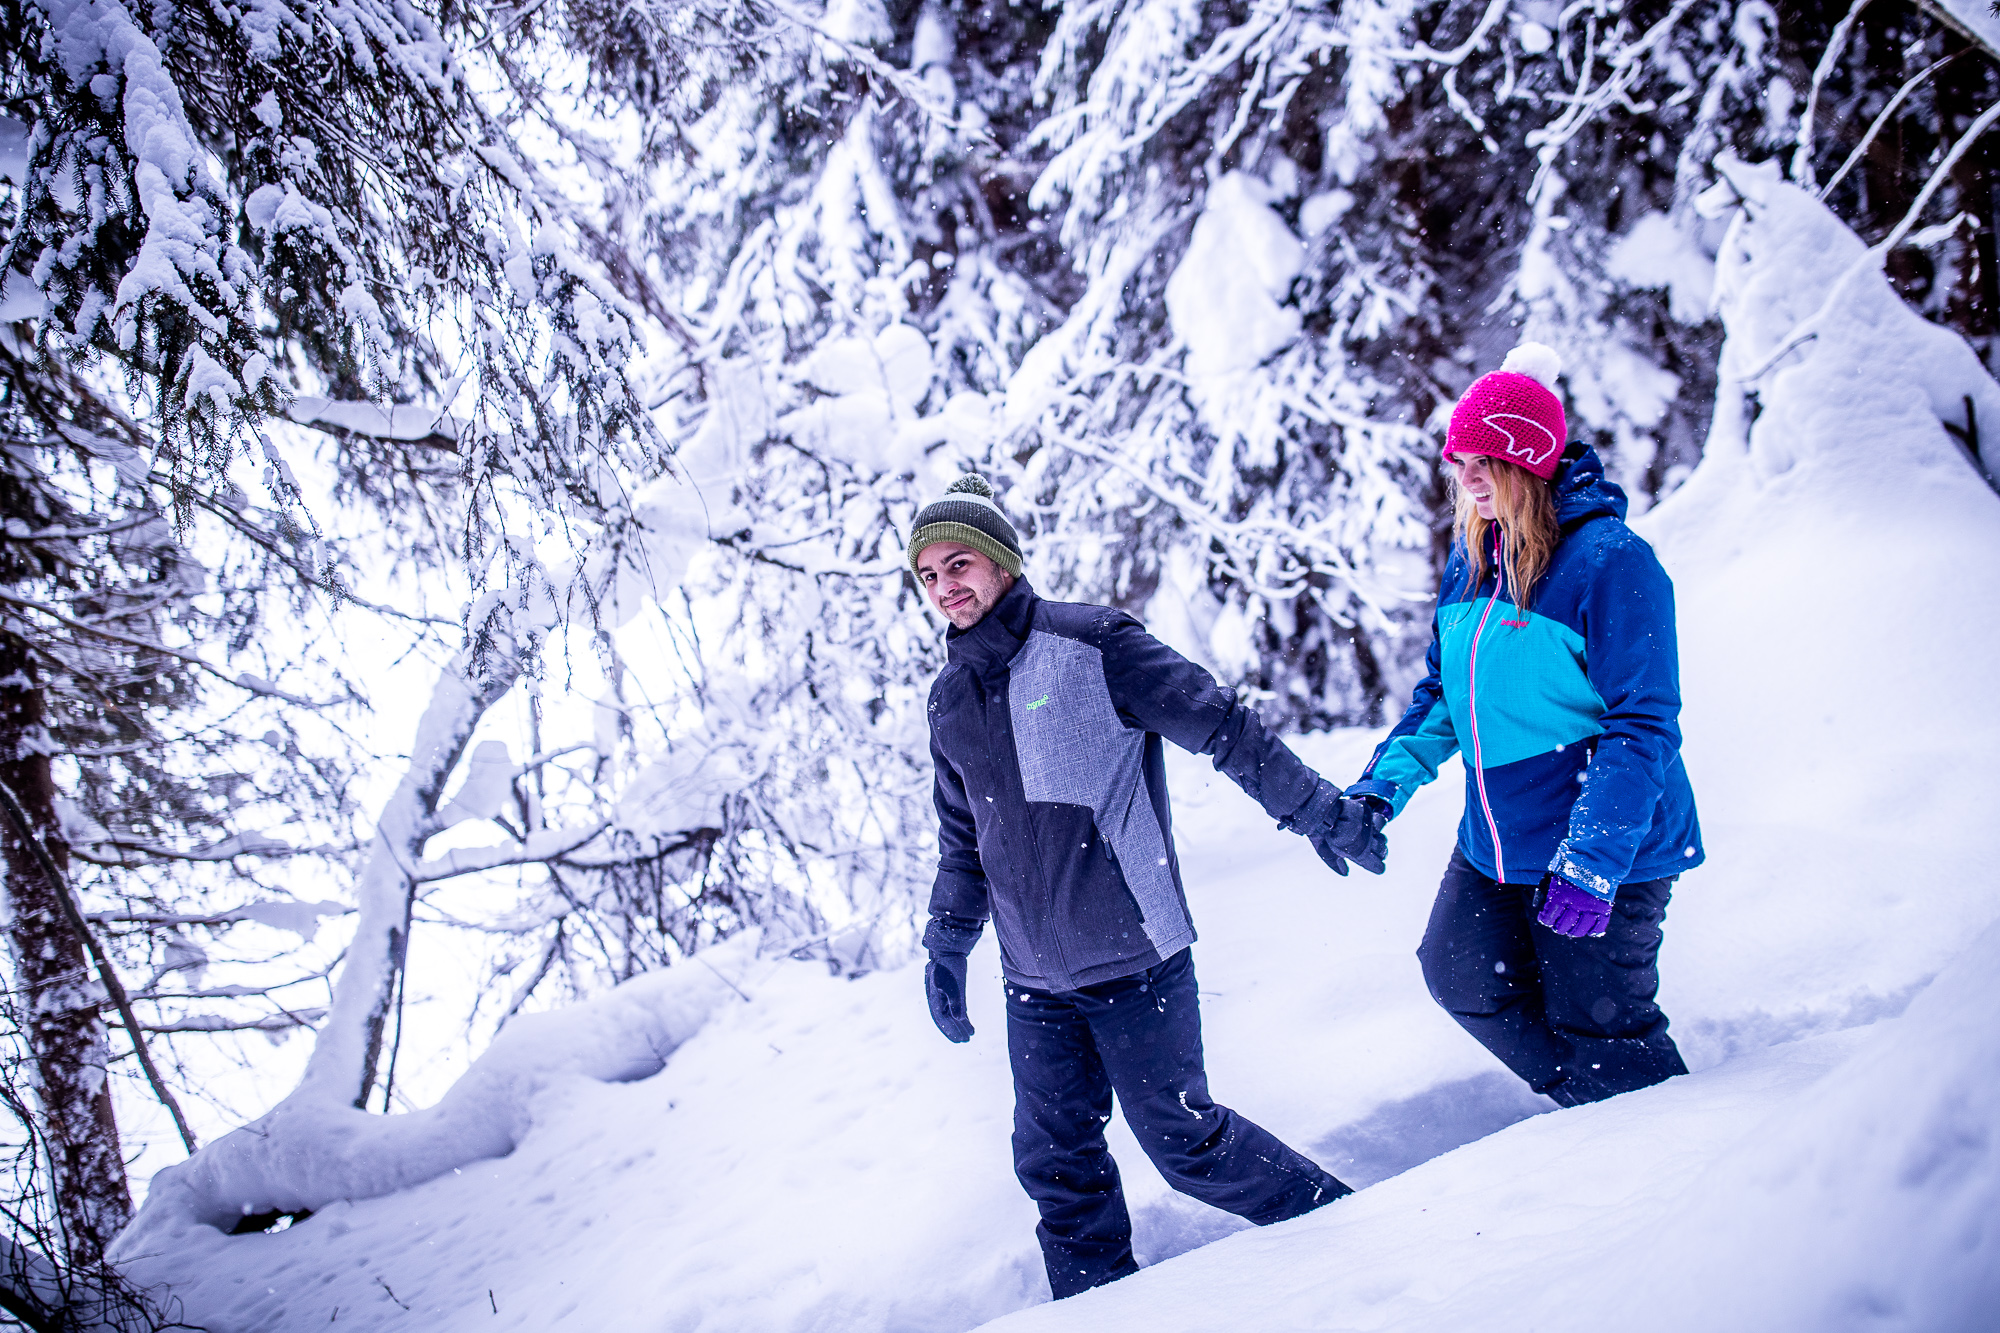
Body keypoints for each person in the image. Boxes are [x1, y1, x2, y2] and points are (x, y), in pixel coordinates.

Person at [909, 473, 1377, 1299]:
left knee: (1186, 1141)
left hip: (1135, 958)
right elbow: (962, 839)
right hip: (1034, 983)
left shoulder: (1095, 645)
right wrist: (948, 943)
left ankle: (1353, 1233)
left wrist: (1314, 810)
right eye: (928, 574)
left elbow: (1221, 724)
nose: (947, 586)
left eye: (960, 564)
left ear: (1002, 564)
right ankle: (1099, 1310)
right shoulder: (949, 700)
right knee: (1057, 1166)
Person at [1317, 342, 1703, 1108]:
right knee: (1457, 972)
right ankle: (1592, 1109)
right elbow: (1442, 696)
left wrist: (1592, 858)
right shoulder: (1474, 558)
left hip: (1602, 848)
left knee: (1604, 1032)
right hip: (1499, 843)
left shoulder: (1609, 561)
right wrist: (1377, 793)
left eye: (1483, 461)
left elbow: (1643, 724)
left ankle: (1660, 1146)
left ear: (1527, 461)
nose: (1464, 477)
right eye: (1457, 459)